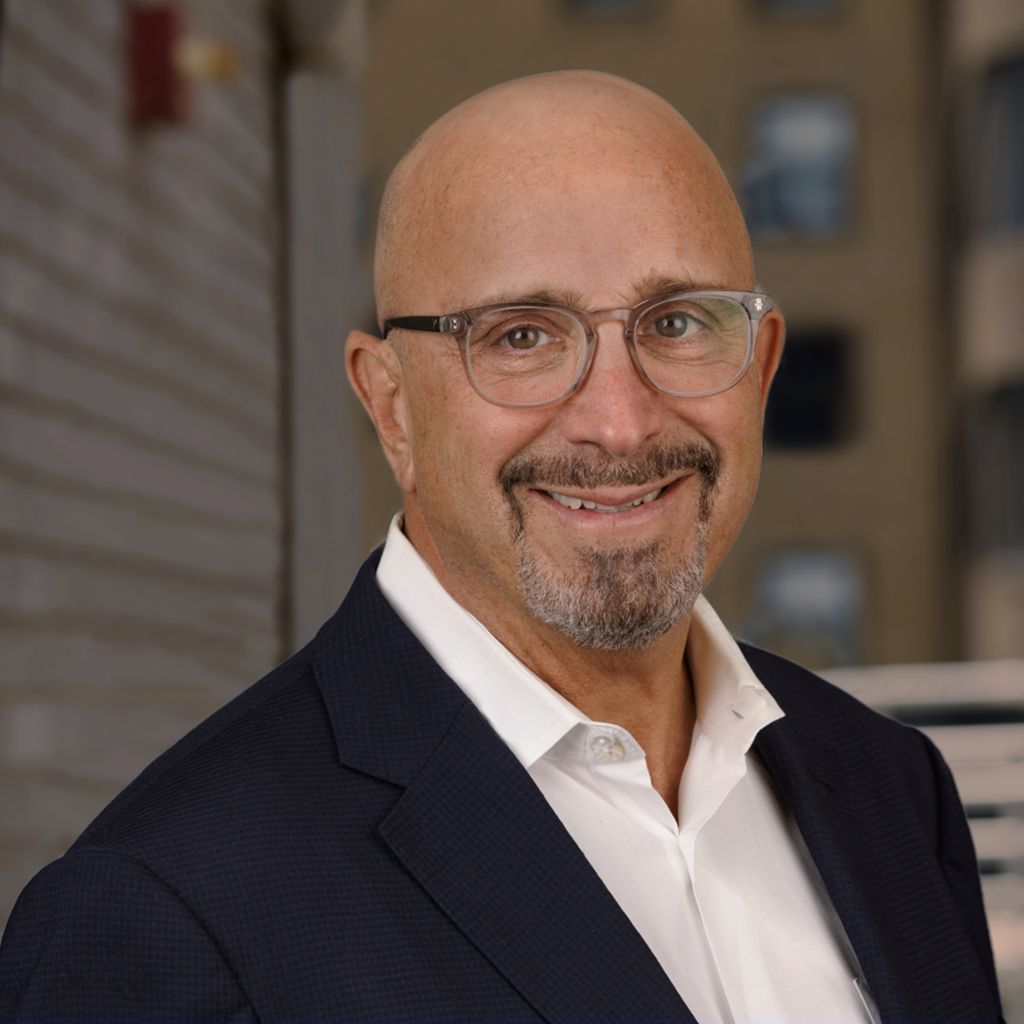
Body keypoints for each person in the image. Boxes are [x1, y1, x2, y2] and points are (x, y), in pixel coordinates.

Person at [0, 71, 1002, 1023]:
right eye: (522, 336)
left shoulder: (889, 792)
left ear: (762, 367)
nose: (618, 422)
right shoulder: (163, 916)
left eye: (677, 322)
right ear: (391, 403)